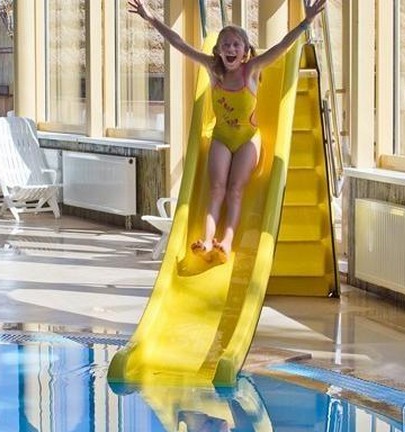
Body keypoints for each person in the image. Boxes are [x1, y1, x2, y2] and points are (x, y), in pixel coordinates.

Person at [128, 0, 325, 263]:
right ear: (218, 51)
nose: (230, 49)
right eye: (225, 45)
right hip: (221, 138)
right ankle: (208, 240)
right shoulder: (213, 70)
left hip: (248, 141)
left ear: (245, 51)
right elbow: (179, 43)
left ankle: (227, 241)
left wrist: (306, 22)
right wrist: (151, 18)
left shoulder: (251, 70)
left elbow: (281, 47)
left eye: (235, 45)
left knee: (235, 190)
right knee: (216, 189)